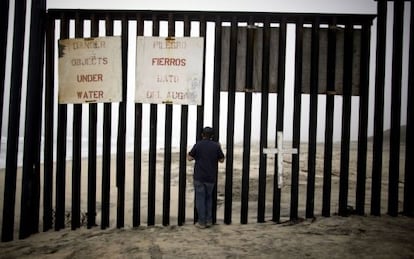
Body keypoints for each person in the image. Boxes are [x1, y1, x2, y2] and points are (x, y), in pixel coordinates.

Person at [188, 127, 225, 229]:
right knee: (209, 199)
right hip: (211, 177)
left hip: (199, 176)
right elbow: (222, 160)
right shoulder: (215, 146)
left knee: (200, 200)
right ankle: (209, 221)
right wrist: (219, 148)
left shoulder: (198, 144)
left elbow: (189, 158)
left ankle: (201, 222)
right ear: (212, 136)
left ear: (202, 135)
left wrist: (197, 156)